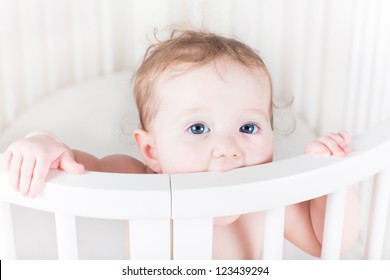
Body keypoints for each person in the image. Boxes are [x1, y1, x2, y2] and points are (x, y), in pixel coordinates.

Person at [1, 29, 359, 259]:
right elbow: (79, 169)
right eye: (199, 128)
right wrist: (44, 144)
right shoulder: (141, 181)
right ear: (152, 152)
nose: (227, 147)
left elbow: (329, 241)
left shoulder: (268, 200)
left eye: (248, 126)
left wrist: (330, 179)